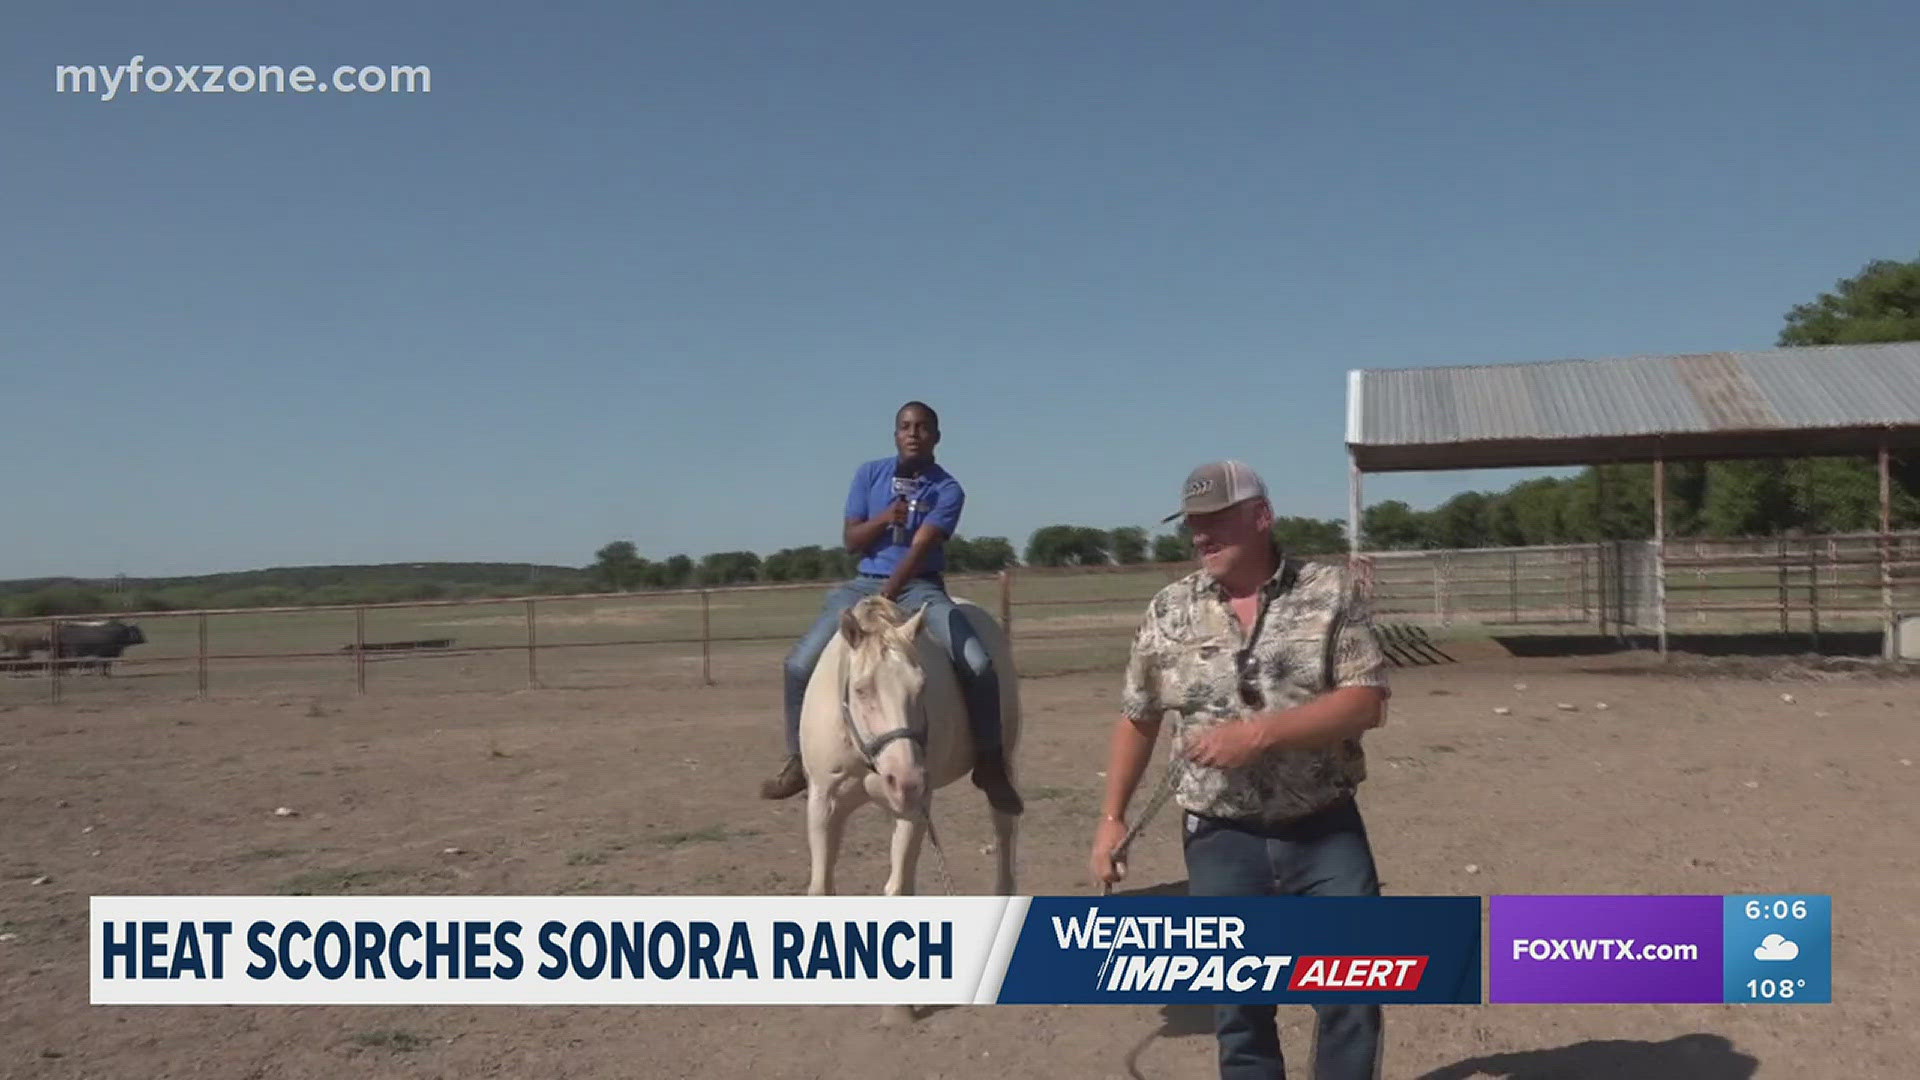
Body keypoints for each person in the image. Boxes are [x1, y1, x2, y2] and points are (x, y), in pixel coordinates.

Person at [1089, 460, 1392, 1080]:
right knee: (1241, 1006)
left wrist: (1260, 734)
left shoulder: (1329, 592)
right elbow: (1138, 716)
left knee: (1352, 989)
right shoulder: (1170, 610)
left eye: (1215, 520)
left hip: (1323, 829)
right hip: (1220, 836)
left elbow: (1367, 700)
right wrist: (1111, 817)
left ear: (1262, 517)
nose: (1201, 535)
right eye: (1193, 524)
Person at [758, 401, 1023, 815]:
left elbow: (920, 549)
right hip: (863, 583)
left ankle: (990, 763)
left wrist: (889, 595)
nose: (913, 433)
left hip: (919, 587)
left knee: (978, 662)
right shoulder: (869, 475)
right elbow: (851, 540)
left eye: (922, 427)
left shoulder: (948, 489)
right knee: (797, 664)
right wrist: (885, 518)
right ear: (895, 434)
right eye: (905, 427)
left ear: (936, 436)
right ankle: (798, 761)